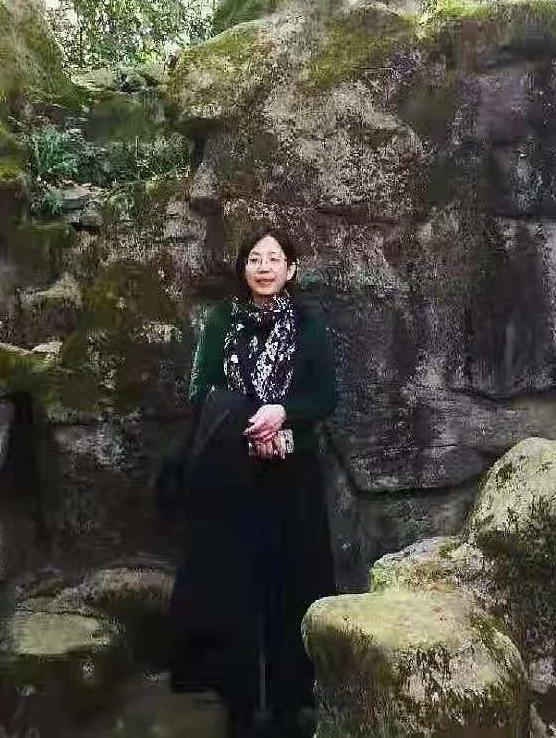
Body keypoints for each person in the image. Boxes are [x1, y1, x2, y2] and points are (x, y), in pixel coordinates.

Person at [167, 227, 339, 738]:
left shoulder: (308, 323)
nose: (264, 267)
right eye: (255, 259)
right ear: (243, 268)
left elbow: (325, 397)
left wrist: (282, 413)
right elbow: (201, 391)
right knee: (234, 585)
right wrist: (251, 419)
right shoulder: (222, 320)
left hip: (293, 474)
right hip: (232, 474)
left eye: (274, 259)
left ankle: (291, 702)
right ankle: (239, 702)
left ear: (291, 269)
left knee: (292, 582)